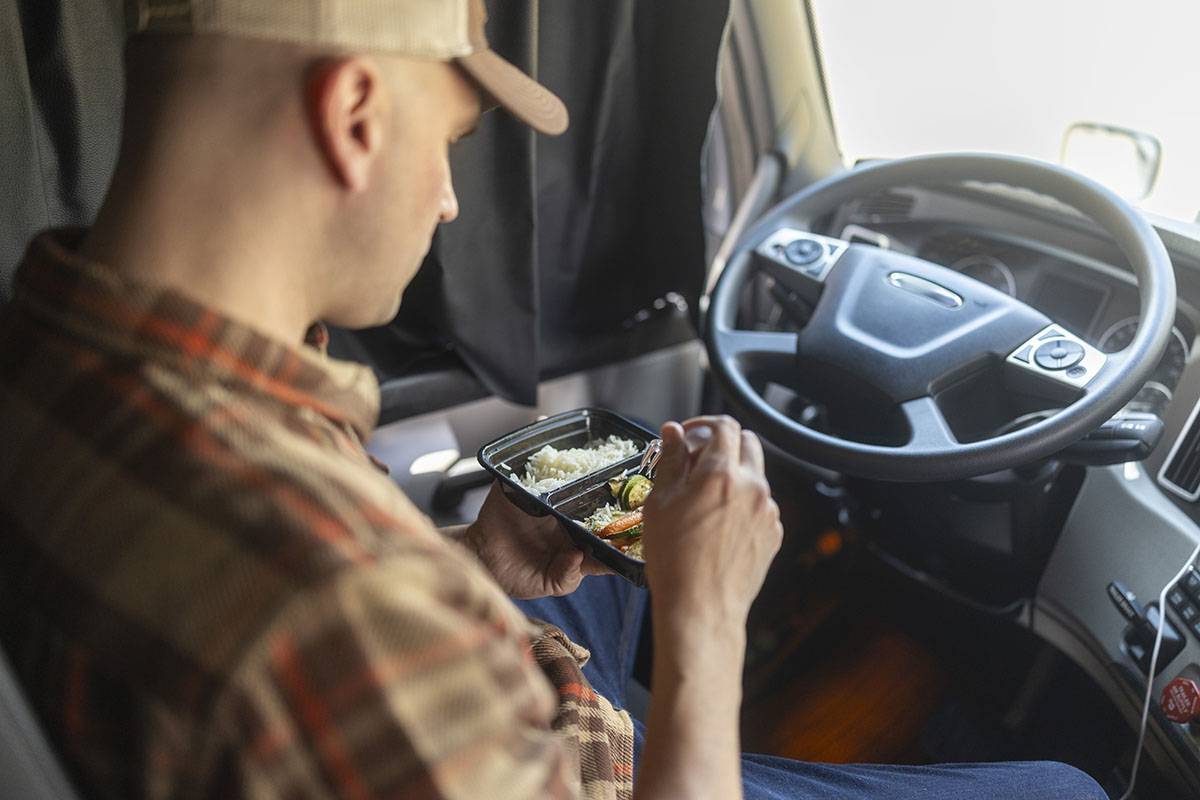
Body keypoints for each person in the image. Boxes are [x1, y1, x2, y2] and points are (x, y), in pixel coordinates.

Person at [0, 1, 1108, 798]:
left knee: (605, 580)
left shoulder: (55, 351)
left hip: (449, 721)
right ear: (353, 114)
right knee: (1063, 785)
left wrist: (478, 573)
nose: (444, 201)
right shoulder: (330, 601)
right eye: (449, 144)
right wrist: (708, 618)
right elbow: (349, 620)